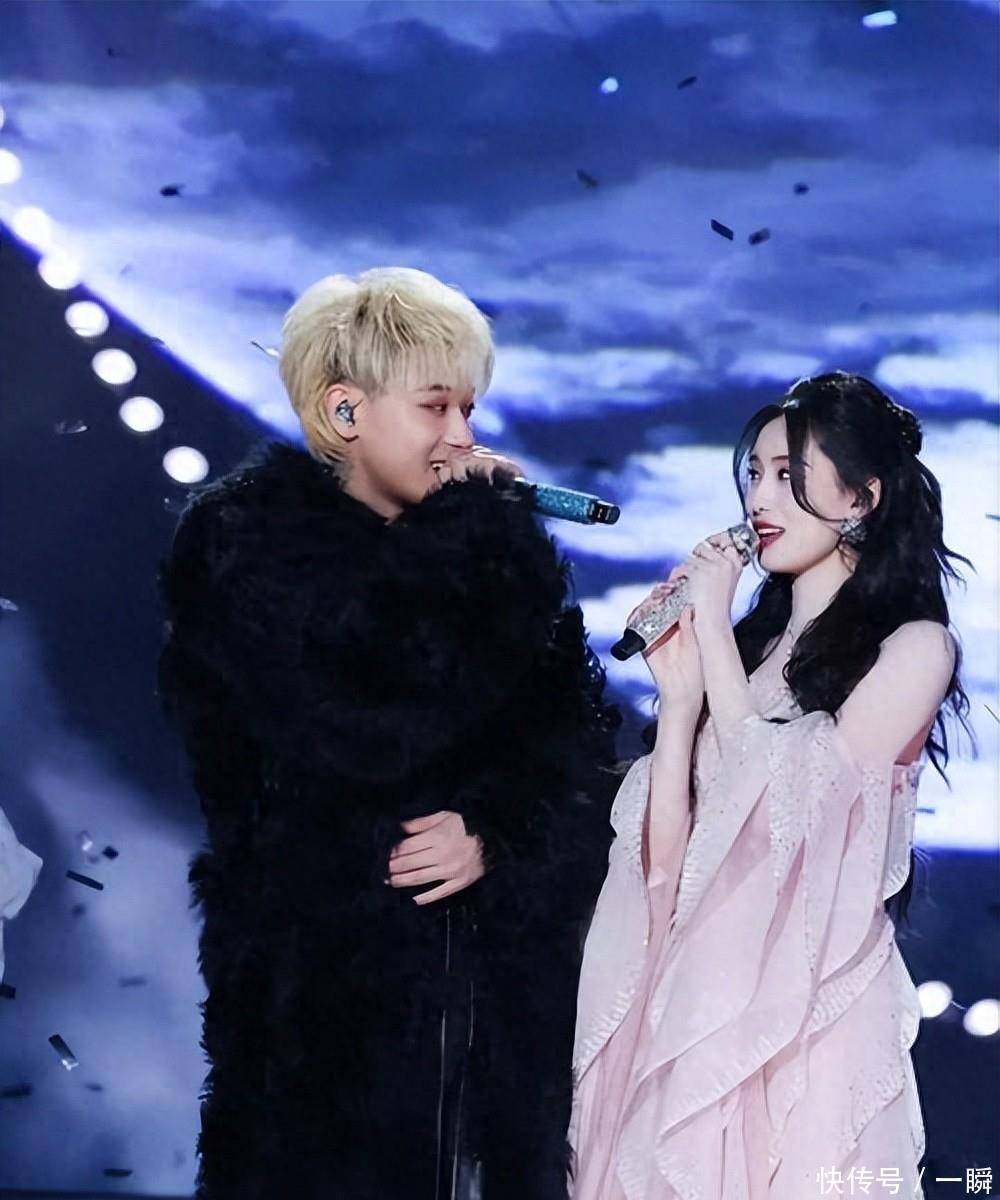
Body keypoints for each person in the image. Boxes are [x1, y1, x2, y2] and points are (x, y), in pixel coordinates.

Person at [157, 267, 619, 1200]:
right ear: (345, 411)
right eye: (435, 407)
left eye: (469, 409)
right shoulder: (241, 541)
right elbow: (368, 719)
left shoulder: (490, 559)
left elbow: (578, 755)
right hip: (321, 1029)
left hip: (499, 1025)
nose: (463, 438)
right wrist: (481, 536)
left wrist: (497, 833)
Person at [570, 372, 968, 1199]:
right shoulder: (748, 654)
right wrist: (680, 702)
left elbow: (794, 804)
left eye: (789, 475)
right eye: (754, 473)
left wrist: (714, 632)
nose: (759, 498)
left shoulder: (914, 647)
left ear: (861, 497)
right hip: (690, 1002)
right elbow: (668, 866)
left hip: (805, 1024)